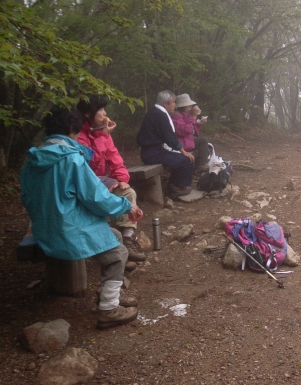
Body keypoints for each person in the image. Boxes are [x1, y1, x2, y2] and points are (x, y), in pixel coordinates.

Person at [20, 107, 143, 329]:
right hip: (66, 229)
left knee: (113, 234)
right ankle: (108, 309)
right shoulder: (71, 158)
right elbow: (95, 197)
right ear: (71, 129)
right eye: (77, 130)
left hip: (44, 227)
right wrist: (126, 206)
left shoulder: (34, 159)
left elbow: (27, 197)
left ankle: (109, 293)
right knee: (118, 253)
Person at [76, 96, 146, 266]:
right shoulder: (78, 134)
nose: (105, 113)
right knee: (100, 204)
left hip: (104, 184)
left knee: (128, 192)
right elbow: (85, 163)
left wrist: (122, 179)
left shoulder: (102, 132)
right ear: (87, 114)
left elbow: (115, 158)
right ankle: (111, 249)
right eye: (100, 110)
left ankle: (127, 241)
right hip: (85, 187)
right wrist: (102, 136)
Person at [136, 90, 195, 197]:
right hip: (152, 154)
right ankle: (176, 187)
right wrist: (183, 151)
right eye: (173, 102)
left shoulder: (154, 113)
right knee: (185, 160)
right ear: (165, 103)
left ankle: (174, 185)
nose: (175, 105)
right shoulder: (159, 115)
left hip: (153, 151)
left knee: (181, 159)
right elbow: (169, 136)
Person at [171, 94, 210, 170]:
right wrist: (194, 118)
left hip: (188, 140)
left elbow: (193, 132)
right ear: (182, 106)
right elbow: (183, 131)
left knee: (204, 142)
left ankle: (201, 164)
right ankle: (200, 166)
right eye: (188, 105)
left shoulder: (186, 115)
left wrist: (198, 124)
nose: (190, 107)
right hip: (181, 143)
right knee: (203, 141)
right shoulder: (176, 116)